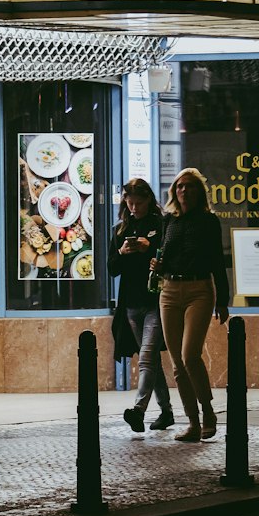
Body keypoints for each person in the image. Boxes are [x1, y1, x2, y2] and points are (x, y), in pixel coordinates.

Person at [153, 167, 230, 443]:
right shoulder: (168, 220)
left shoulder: (209, 221)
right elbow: (162, 251)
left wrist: (223, 299)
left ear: (199, 191)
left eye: (190, 186)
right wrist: (157, 264)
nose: (184, 190)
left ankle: (208, 412)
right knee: (176, 364)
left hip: (200, 289)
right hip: (170, 290)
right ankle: (193, 423)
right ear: (174, 191)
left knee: (189, 356)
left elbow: (218, 263)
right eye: (180, 186)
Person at [111, 178, 173, 432]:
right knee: (151, 360)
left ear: (149, 200)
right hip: (131, 304)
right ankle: (167, 412)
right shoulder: (120, 230)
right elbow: (111, 269)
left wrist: (151, 248)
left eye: (139, 202)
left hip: (155, 301)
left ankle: (138, 411)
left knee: (147, 357)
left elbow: (170, 258)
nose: (134, 207)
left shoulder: (161, 225)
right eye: (130, 202)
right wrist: (122, 253)